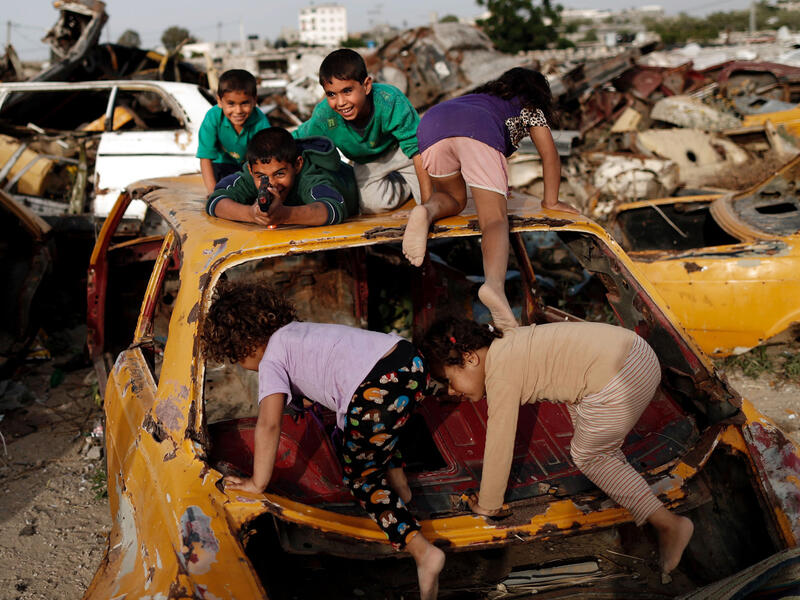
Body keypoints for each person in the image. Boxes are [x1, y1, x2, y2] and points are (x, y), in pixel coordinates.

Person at [201, 280, 445, 600]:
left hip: (375, 386)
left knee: (361, 476)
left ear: (244, 348)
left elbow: (269, 424)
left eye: (236, 360)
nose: (243, 368)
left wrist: (257, 483)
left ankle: (423, 552)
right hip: (407, 359)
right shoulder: (297, 331)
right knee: (376, 430)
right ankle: (401, 489)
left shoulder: (272, 359)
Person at [422, 316, 694, 577]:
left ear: (470, 358)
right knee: (592, 437)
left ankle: (669, 525)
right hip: (635, 353)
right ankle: (624, 483)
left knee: (589, 456)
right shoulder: (508, 340)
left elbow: (499, 442)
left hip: (618, 375)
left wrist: (488, 505)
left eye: (448, 380)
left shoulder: (500, 375)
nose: (451, 391)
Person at [403, 68, 579, 332]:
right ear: (538, 93)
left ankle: (426, 212)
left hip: (432, 124)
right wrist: (551, 202)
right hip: (478, 129)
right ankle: (494, 286)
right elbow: (550, 154)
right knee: (494, 220)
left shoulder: (479, 97)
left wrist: (426, 200)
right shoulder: (529, 105)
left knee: (452, 198)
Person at [292, 48, 432, 214]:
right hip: (366, 161)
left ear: (366, 86)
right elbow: (299, 138)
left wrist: (427, 206)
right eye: (331, 94)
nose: (341, 102)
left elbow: (417, 149)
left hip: (402, 151)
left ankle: (416, 183)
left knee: (431, 194)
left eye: (347, 91)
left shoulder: (389, 100)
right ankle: (403, 186)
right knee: (371, 206)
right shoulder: (324, 116)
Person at [206, 127, 358, 227]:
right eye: (262, 177)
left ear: (297, 165)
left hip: (356, 188)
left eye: (279, 174)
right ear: (250, 170)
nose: (271, 183)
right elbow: (216, 200)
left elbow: (333, 208)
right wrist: (251, 214)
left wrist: (284, 215)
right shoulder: (252, 172)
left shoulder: (310, 175)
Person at [197, 69, 270, 193]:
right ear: (220, 101)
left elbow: (266, 158)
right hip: (220, 166)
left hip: (247, 167)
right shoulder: (213, 117)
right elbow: (205, 157)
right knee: (221, 191)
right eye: (231, 104)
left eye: (245, 103)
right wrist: (212, 193)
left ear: (254, 100)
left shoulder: (261, 122)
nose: (238, 111)